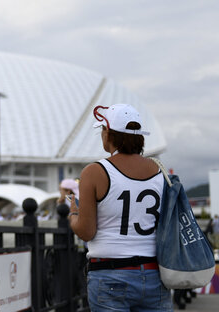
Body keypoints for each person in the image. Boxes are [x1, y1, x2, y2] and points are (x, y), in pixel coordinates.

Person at [68, 104, 173, 311]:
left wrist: (73, 213)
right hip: (154, 273)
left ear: (109, 133)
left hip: (110, 273)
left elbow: (86, 232)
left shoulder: (95, 171)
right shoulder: (159, 171)